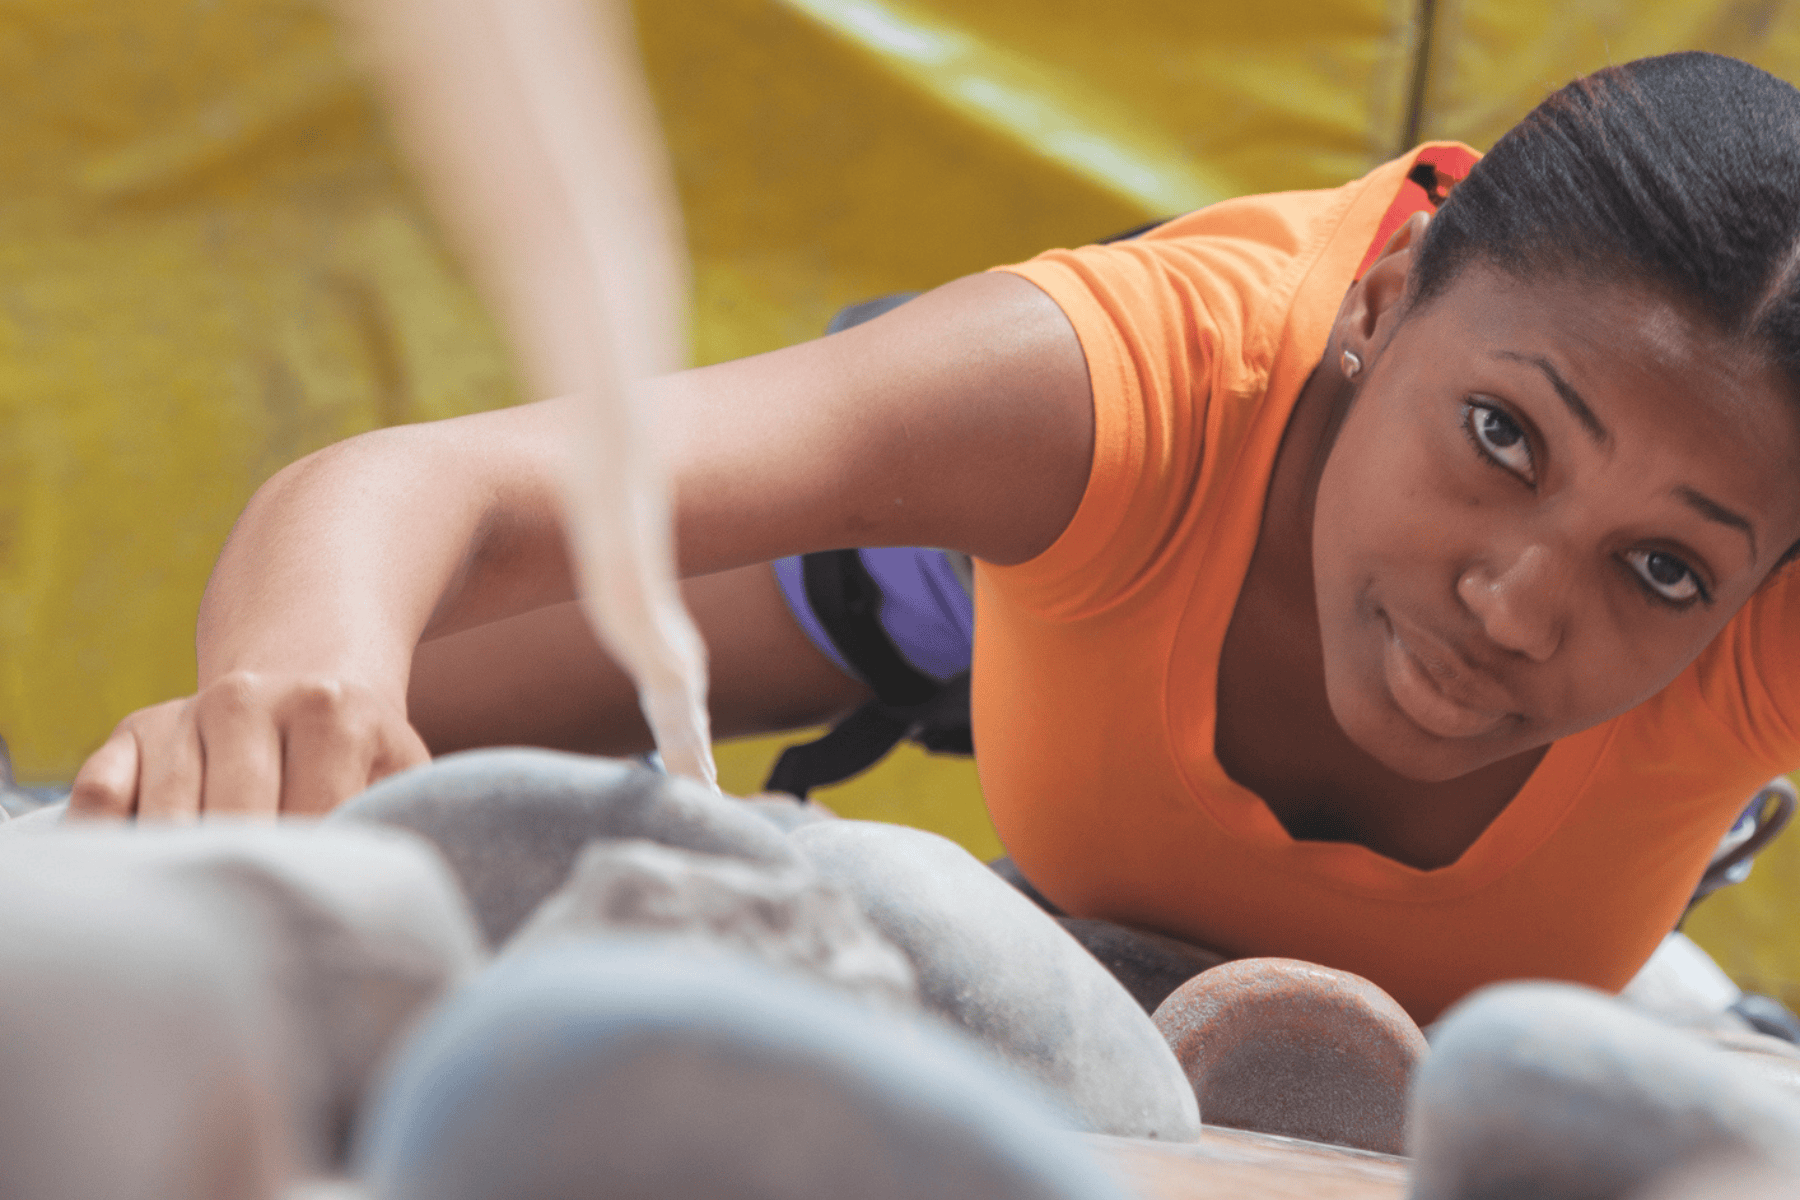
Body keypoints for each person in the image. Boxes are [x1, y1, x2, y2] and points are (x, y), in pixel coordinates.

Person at [67, 52, 1800, 1022]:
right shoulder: (1122, 393)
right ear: (1386, 300)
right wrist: (297, 686)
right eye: (1503, 440)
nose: (1511, 603)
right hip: (1032, 575)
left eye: (1663, 569)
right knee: (335, 756)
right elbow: (424, 488)